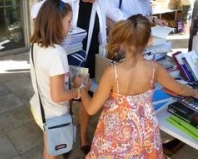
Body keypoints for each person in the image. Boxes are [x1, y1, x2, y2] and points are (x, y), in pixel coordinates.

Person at [74, 14, 198, 158]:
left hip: (115, 134)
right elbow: (180, 88)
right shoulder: (154, 68)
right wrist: (194, 92)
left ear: (123, 42)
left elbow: (91, 109)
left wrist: (82, 88)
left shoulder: (112, 72)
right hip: (144, 133)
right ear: (150, 41)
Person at [31, 0, 125, 155]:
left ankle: (83, 136)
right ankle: (64, 132)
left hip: (88, 55)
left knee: (84, 96)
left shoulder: (102, 1)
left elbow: (122, 18)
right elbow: (37, 10)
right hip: (66, 55)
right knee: (65, 98)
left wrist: (120, 34)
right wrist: (46, 32)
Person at [29, 0, 80, 159]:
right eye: (69, 22)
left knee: (50, 147)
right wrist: (78, 90)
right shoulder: (56, 53)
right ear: (56, 23)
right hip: (55, 114)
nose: (70, 27)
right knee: (53, 151)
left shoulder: (36, 45)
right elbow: (58, 96)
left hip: (42, 108)